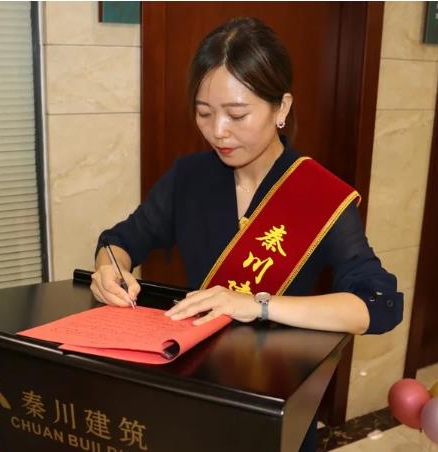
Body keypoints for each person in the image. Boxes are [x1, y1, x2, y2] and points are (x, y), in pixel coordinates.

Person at [91, 16, 403, 450]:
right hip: (197, 389)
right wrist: (109, 268)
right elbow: (121, 239)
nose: (218, 131)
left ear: (282, 108)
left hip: (277, 400)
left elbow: (380, 304)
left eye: (237, 114)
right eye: (204, 113)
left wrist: (257, 305)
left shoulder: (318, 194)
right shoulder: (189, 177)